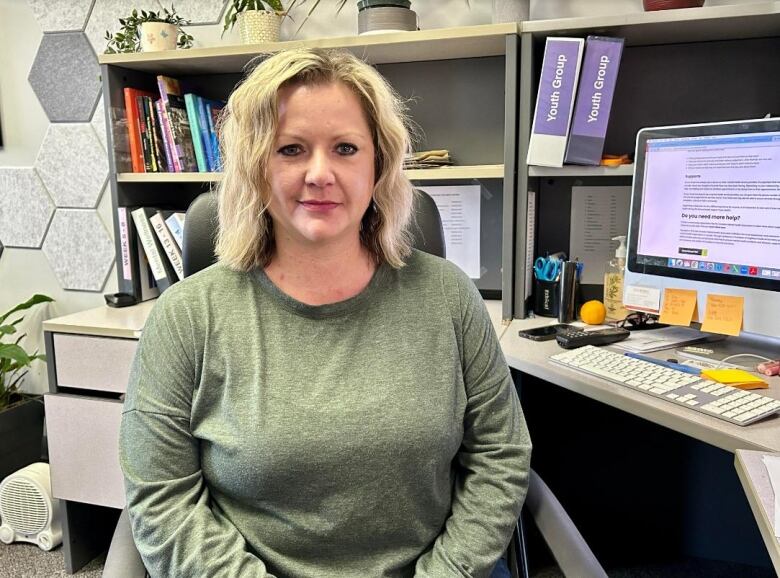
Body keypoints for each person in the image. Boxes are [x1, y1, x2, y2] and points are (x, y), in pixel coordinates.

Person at [119, 48, 532, 578]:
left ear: (377, 164)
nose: (320, 173)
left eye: (345, 148)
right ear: (255, 167)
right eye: (290, 149)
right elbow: (163, 501)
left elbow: (500, 455)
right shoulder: (186, 317)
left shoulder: (448, 296)